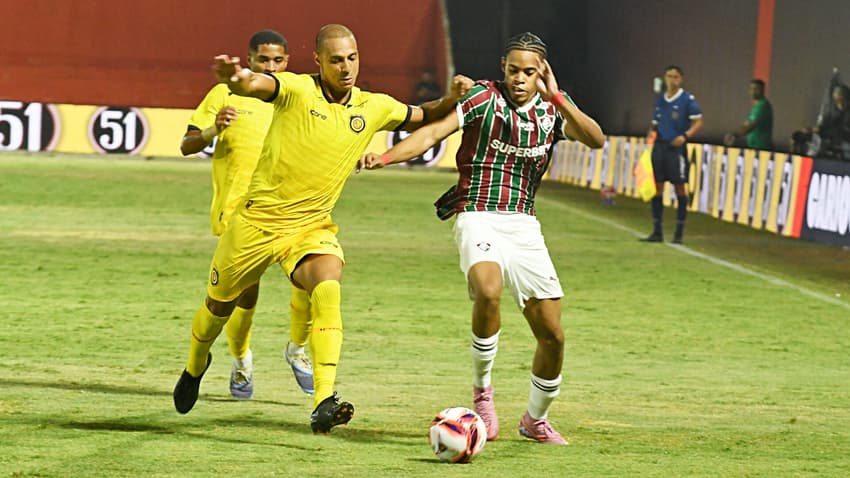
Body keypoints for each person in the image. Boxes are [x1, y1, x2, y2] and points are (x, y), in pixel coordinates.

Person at [172, 23, 474, 434]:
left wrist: (452, 99)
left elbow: (424, 114)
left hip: (310, 227)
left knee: (328, 285)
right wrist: (235, 79)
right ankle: (195, 365)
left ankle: (323, 400)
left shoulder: (375, 106)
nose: (346, 67)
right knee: (217, 309)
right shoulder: (295, 89)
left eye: (352, 58)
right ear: (318, 61)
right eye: (335, 60)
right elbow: (256, 84)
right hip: (256, 222)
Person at [359, 32, 605, 444]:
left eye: (529, 72)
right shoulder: (483, 99)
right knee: (488, 290)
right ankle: (483, 395)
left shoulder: (552, 108)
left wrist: (559, 97)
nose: (520, 79)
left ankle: (534, 421)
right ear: (502, 69)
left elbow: (596, 139)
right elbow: (434, 133)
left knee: (552, 335)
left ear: (541, 72)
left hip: (523, 224)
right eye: (513, 70)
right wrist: (385, 156)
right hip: (477, 212)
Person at [180, 30, 317, 400]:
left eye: (277, 61)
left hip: (290, 209)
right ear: (251, 60)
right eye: (263, 61)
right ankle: (241, 360)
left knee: (311, 279)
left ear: (286, 62)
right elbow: (187, 145)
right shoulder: (225, 93)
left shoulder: (295, 93)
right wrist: (213, 129)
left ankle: (298, 349)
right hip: (239, 212)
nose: (270, 67)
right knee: (243, 295)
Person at [641, 65, 703, 244]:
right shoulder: (660, 100)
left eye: (675, 77)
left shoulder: (686, 100)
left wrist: (685, 136)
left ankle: (679, 233)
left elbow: (699, 121)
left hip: (676, 149)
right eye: (669, 76)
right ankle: (657, 231)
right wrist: (649, 139)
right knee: (658, 187)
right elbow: (654, 124)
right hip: (659, 147)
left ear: (680, 79)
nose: (672, 80)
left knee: (680, 187)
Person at [791, 84, 850, 160]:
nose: (837, 104)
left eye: (839, 100)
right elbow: (831, 125)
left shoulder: (848, 113)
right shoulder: (841, 113)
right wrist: (814, 129)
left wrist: (820, 130)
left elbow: (840, 131)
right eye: (835, 100)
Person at [723, 79, 773, 150]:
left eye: (756, 89)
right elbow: (746, 124)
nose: (753, 92)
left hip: (761, 149)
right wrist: (734, 134)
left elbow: (750, 126)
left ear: (763, 90)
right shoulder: (756, 106)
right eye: (751, 89)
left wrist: (734, 135)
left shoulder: (763, 106)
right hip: (754, 148)